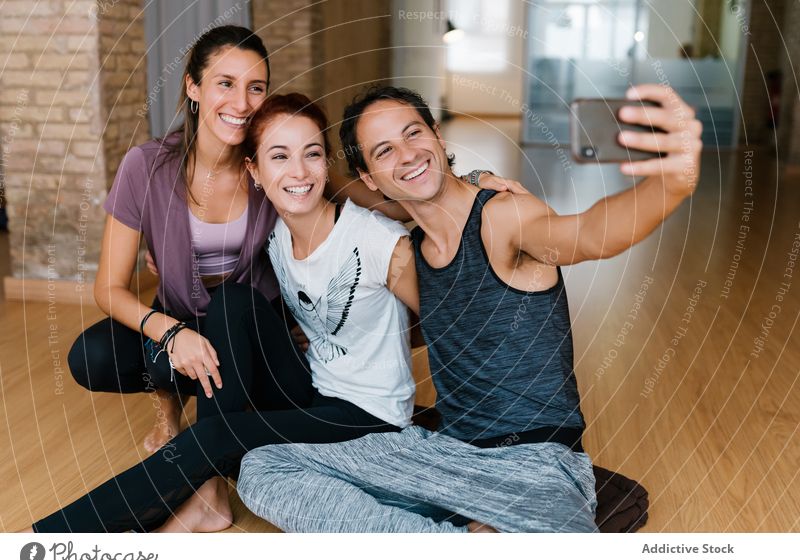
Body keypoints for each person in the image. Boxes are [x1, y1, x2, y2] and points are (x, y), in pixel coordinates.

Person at [236, 84, 703, 532]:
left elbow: (587, 234)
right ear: (369, 178)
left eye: (413, 133)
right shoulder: (410, 249)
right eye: (383, 151)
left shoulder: (502, 218)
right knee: (262, 466)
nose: (407, 155)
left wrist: (674, 182)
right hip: (441, 456)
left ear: (438, 136)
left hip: (534, 465)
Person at [21, 92, 425, 533]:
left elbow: (444, 322)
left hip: (367, 416)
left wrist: (382, 348)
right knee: (233, 298)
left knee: (213, 436)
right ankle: (207, 495)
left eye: (312, 154)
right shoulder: (275, 236)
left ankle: (43, 545)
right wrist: (163, 259)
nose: (298, 172)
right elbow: (218, 264)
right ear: (254, 170)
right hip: (311, 387)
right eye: (279, 156)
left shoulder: (380, 241)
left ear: (327, 161)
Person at [66, 25, 412, 453]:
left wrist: (468, 187)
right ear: (193, 86)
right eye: (225, 84)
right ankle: (171, 406)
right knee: (92, 357)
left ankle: (227, 417)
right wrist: (170, 333)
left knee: (230, 305)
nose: (242, 103)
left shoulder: (275, 163)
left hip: (248, 319)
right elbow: (108, 288)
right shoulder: (146, 165)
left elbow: (389, 204)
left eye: (256, 88)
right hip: (178, 313)